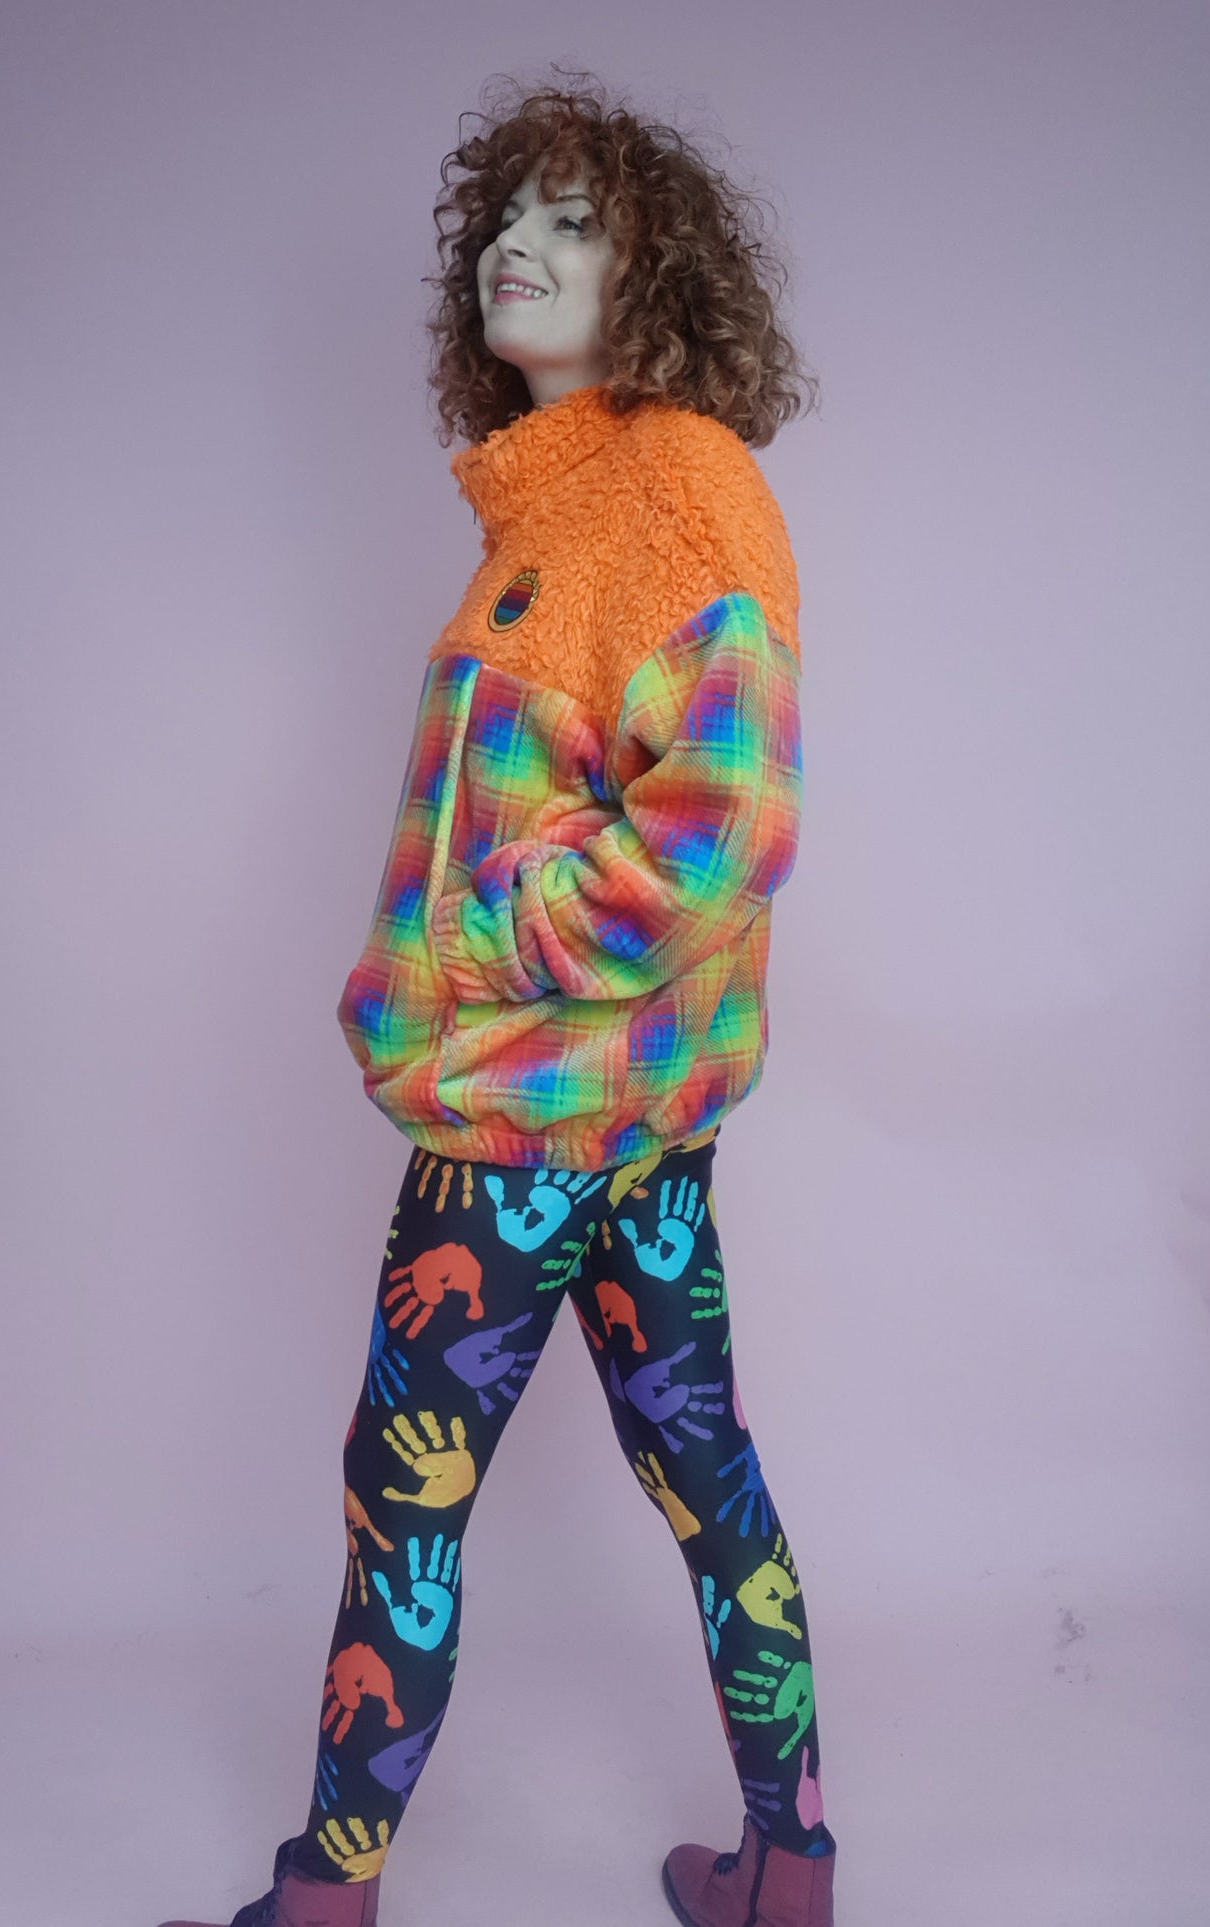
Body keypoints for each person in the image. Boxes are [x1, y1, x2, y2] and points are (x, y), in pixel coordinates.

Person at [161, 72, 835, 1927]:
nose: (511, 251)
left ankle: (323, 1903)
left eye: (571, 222)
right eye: (503, 220)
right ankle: (785, 1874)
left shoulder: (675, 485)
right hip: (630, 1125)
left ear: (657, 270)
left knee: (406, 1502)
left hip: (529, 1124)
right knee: (702, 1471)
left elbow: (721, 831)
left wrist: (462, 953)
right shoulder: (561, 503)